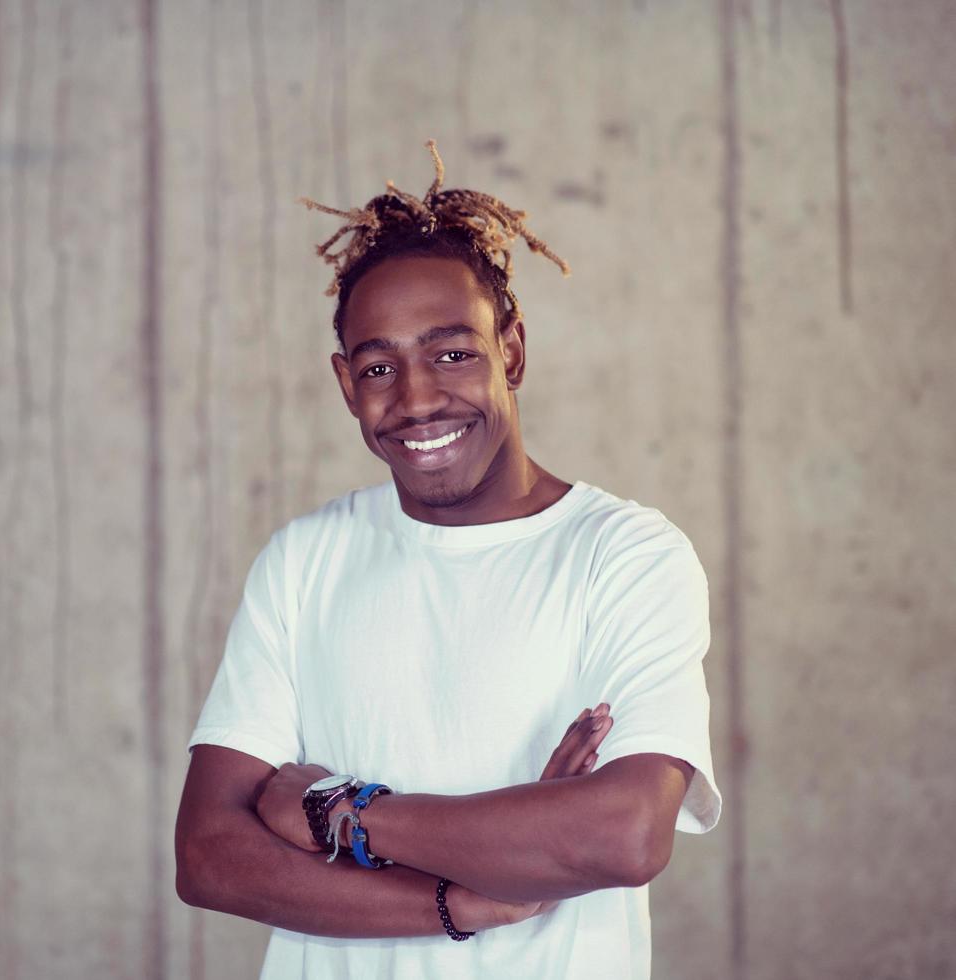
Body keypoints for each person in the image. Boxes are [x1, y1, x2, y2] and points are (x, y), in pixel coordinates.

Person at [173, 140, 720, 979]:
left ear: (513, 352)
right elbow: (209, 855)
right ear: (346, 386)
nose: (417, 397)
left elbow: (625, 834)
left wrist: (337, 810)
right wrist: (469, 898)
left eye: (452, 352)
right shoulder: (304, 561)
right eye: (379, 366)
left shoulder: (627, 556)